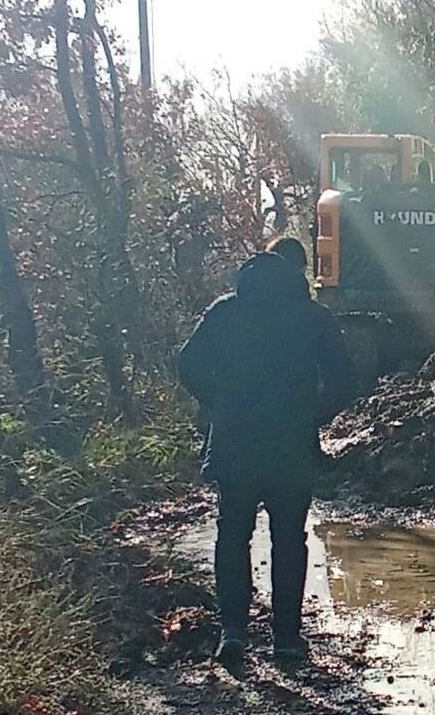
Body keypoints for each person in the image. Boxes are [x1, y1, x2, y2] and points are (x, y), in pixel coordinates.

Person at [177, 240, 352, 662]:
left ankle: (233, 633)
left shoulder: (224, 313)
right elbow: (344, 380)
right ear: (297, 277)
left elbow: (187, 364)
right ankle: (286, 639)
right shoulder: (313, 318)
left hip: (235, 444)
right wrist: (313, 415)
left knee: (233, 536)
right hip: (291, 448)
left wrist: (218, 403)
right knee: (290, 539)